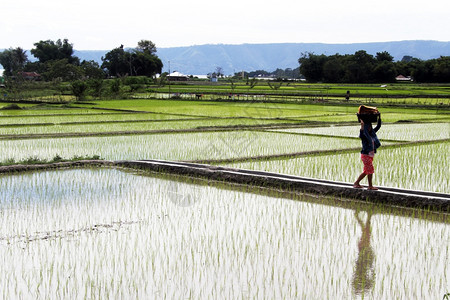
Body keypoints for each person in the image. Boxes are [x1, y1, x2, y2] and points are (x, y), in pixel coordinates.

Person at [353, 114, 381, 190]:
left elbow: (378, 127)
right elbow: (362, 130)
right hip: (365, 155)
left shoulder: (372, 134)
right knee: (370, 170)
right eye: (367, 127)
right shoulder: (363, 135)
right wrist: (362, 124)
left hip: (370, 155)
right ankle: (370, 186)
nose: (369, 128)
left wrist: (379, 118)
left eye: (370, 127)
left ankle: (356, 183)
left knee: (366, 171)